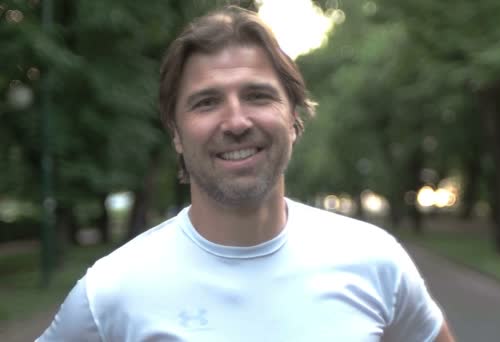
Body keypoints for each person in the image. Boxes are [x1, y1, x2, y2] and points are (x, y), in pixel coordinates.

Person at [38, 6, 455, 342]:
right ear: (177, 135)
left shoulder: (375, 261)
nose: (236, 121)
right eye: (206, 103)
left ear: (293, 117)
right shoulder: (112, 292)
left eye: (257, 96)